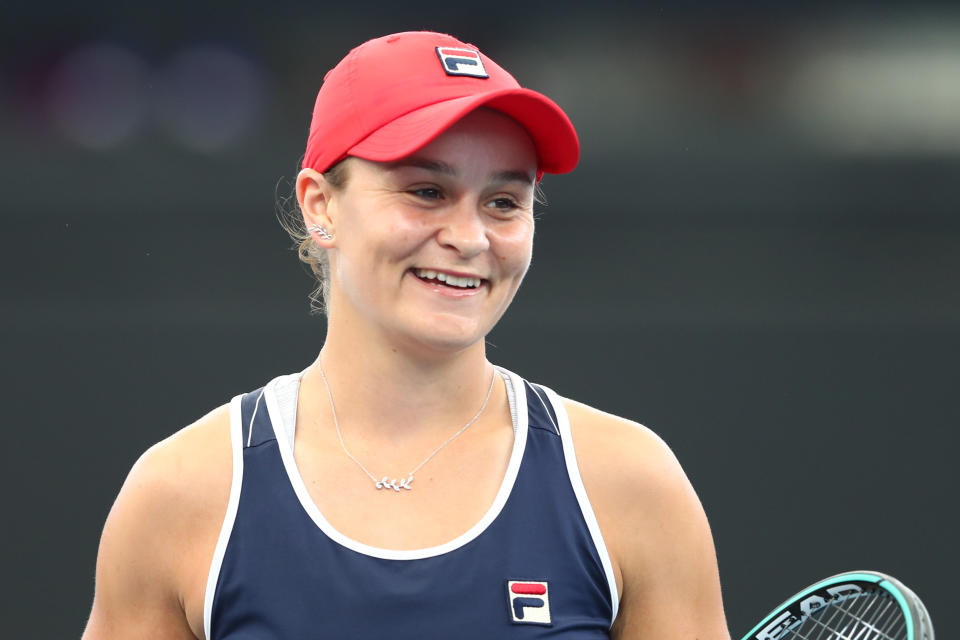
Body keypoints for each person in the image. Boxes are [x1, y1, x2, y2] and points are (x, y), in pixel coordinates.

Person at [82, 31, 729, 639]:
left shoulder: (631, 485)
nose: (470, 238)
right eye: (426, 191)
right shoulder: (181, 494)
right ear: (320, 205)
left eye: (504, 203)